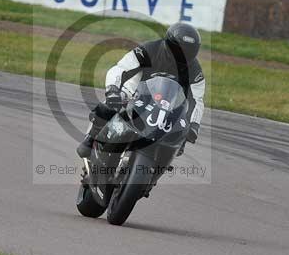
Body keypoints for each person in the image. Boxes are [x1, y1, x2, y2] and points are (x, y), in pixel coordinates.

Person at [76, 22, 205, 158]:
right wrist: (112, 89)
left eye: (187, 52)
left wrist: (194, 125)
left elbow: (196, 100)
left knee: (181, 138)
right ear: (168, 44)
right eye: (178, 50)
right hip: (136, 90)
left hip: (167, 104)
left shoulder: (195, 71)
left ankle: (159, 165)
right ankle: (92, 137)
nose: (181, 55)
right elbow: (121, 68)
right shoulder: (149, 50)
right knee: (113, 102)